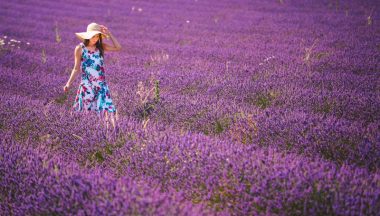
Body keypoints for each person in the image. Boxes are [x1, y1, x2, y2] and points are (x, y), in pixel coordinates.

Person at [63, 22, 121, 133]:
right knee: (86, 113)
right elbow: (76, 68)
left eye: (97, 36)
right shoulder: (80, 49)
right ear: (88, 35)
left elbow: (118, 47)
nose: (95, 38)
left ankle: (106, 134)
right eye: (93, 36)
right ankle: (83, 134)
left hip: (101, 87)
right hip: (87, 86)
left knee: (106, 110)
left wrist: (109, 33)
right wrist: (68, 84)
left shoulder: (101, 47)